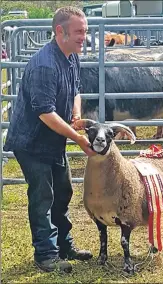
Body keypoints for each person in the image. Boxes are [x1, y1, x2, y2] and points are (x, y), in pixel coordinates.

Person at [3, 6, 96, 273]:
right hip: (32, 143)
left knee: (63, 191)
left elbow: (76, 89)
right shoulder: (44, 64)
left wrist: (75, 114)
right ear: (60, 31)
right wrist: (78, 138)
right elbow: (44, 112)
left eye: (85, 31)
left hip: (53, 140)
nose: (83, 37)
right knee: (43, 196)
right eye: (79, 32)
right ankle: (45, 255)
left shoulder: (71, 57)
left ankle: (64, 245)